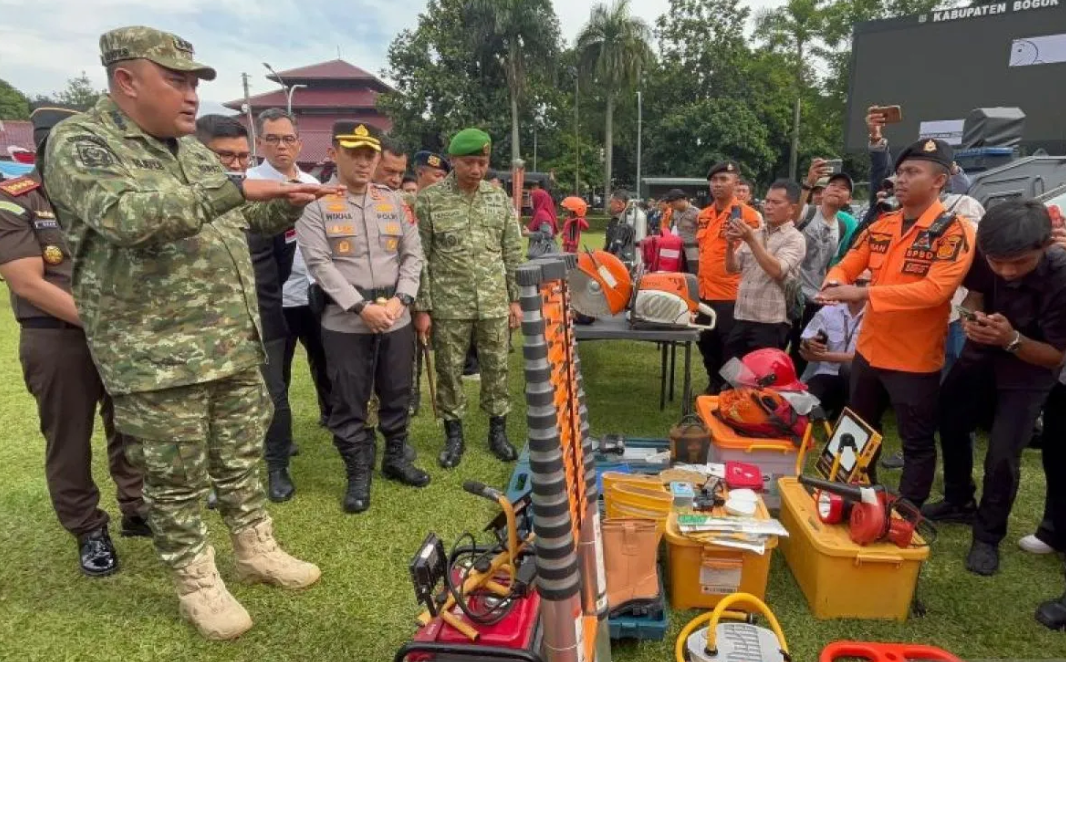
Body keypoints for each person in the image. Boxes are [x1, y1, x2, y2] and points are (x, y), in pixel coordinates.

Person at [44, 26, 330, 640]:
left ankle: (255, 549)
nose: (191, 95)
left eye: (194, 82)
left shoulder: (190, 149)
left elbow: (247, 212)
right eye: (175, 80)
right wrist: (234, 188)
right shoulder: (82, 142)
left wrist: (292, 201)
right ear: (126, 80)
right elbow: (125, 216)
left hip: (228, 338)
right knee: (174, 473)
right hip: (154, 352)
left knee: (240, 453)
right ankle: (196, 580)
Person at [0, 106, 148, 578]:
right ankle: (88, 528)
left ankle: (138, 508)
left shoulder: (105, 199)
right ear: (47, 148)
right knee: (69, 439)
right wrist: (104, 321)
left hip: (119, 336)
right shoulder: (16, 199)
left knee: (131, 428)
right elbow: (28, 283)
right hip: (57, 339)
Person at [817, 138, 976, 509]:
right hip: (870, 351)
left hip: (914, 358)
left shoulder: (954, 230)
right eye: (900, 172)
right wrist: (835, 280)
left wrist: (864, 294)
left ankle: (906, 512)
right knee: (856, 428)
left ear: (939, 181)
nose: (901, 180)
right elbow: (849, 261)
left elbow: (935, 291)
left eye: (912, 172)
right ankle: (853, 496)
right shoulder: (883, 224)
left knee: (916, 441)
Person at [924, 201, 1066, 575]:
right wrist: (971, 320)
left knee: (1002, 453)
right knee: (950, 417)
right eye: (997, 261)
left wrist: (1011, 339)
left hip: (1029, 372)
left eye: (1018, 263)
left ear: (1044, 245)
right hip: (981, 353)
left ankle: (987, 537)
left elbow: (1056, 356)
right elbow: (974, 297)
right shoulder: (988, 252)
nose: (1005, 271)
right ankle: (958, 500)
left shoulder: (1060, 275)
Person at [297, 121, 429, 514]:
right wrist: (361, 307)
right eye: (353, 152)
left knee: (398, 391)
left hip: (395, 315)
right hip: (345, 321)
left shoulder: (394, 203)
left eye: (369, 154)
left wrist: (401, 299)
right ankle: (358, 473)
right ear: (334, 152)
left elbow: (413, 255)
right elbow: (319, 264)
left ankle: (395, 458)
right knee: (349, 399)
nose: (362, 161)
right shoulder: (316, 206)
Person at [196, 114, 302, 505]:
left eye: (242, 156)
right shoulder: (180, 208)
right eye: (226, 157)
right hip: (204, 327)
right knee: (209, 404)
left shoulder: (255, 205)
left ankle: (277, 467)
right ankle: (215, 477)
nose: (238, 165)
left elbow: (281, 256)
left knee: (273, 395)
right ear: (198, 153)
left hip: (263, 317)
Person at [414, 127, 523, 468]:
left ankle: (498, 432)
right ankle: (454, 435)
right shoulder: (430, 200)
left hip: (492, 301)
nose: (477, 169)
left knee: (497, 369)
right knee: (449, 371)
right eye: (469, 162)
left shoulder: (498, 200)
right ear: (453, 161)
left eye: (483, 161)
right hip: (449, 304)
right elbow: (420, 258)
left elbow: (511, 252)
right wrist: (423, 307)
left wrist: (514, 300)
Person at [246, 107, 332, 437]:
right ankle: (280, 435)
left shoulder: (312, 184)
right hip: (273, 297)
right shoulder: (249, 184)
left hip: (312, 289)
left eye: (288, 139)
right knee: (277, 371)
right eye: (273, 139)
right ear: (260, 142)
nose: (281, 146)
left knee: (324, 361)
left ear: (298, 143)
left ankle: (332, 417)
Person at [696, 161, 763, 393]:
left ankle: (732, 390)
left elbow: (756, 255)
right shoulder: (704, 215)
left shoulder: (748, 216)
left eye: (724, 179)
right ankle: (714, 384)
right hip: (704, 293)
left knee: (731, 349)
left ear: (736, 183)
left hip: (731, 296)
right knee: (706, 344)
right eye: (714, 180)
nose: (717, 184)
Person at [724, 180, 807, 360]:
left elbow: (777, 270)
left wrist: (750, 240)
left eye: (775, 203)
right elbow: (732, 268)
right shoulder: (755, 233)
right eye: (767, 201)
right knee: (731, 372)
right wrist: (730, 245)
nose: (768, 207)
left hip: (771, 321)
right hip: (743, 315)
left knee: (762, 378)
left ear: (792, 208)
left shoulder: (795, 239)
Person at [791, 161, 858, 374]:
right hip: (792, 294)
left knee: (804, 348)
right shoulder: (809, 212)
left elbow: (835, 261)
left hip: (817, 298)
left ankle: (797, 390)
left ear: (849, 199)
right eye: (832, 185)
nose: (836, 189)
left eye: (843, 188)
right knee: (783, 341)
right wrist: (808, 184)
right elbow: (792, 217)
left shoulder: (843, 225)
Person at [798, 278, 868, 420]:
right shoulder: (829, 309)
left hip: (858, 379)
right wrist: (808, 344)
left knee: (848, 369)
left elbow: (865, 357)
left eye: (861, 282)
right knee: (802, 407)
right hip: (826, 374)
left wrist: (823, 356)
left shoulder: (877, 315)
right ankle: (831, 408)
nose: (855, 287)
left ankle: (844, 411)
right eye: (853, 282)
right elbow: (804, 348)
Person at [665, 188, 701, 275]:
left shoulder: (696, 213)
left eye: (673, 203)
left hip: (693, 250)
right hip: (680, 249)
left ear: (682, 200)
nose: (672, 206)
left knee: (694, 273)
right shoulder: (675, 212)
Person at [524, 181, 559, 258]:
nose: (530, 202)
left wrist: (528, 234)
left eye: (531, 199)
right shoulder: (539, 213)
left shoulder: (542, 214)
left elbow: (547, 234)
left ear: (538, 199)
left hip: (544, 255)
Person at [604, 189, 636, 266]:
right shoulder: (615, 221)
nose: (609, 205)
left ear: (620, 204)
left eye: (611, 202)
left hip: (620, 265)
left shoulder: (626, 223)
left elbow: (617, 248)